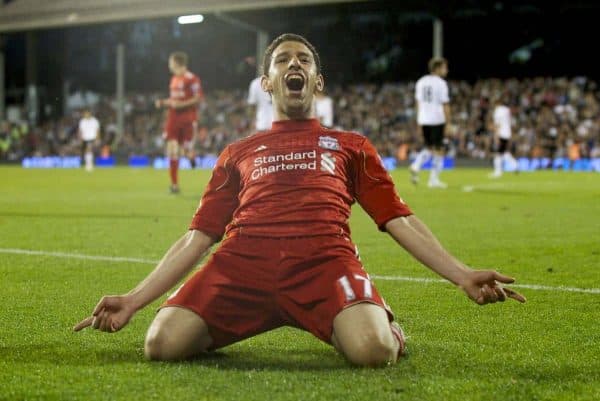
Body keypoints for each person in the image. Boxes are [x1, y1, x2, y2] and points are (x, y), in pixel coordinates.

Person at [75, 34, 526, 367]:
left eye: (304, 59)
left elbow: (397, 218)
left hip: (324, 264)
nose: (295, 64)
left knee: (374, 353)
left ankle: (383, 324)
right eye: (284, 60)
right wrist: (134, 299)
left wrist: (461, 274)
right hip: (242, 267)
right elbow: (198, 236)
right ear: (267, 83)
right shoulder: (238, 153)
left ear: (317, 81)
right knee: (161, 345)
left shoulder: (350, 145)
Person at [155, 51, 203, 193]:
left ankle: (190, 156)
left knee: (184, 150)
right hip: (173, 118)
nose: (169, 64)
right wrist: (163, 102)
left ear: (176, 62)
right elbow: (174, 101)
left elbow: (198, 98)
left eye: (170, 61)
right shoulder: (174, 79)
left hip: (187, 119)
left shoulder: (192, 79)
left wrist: (180, 105)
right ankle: (174, 185)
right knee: (172, 149)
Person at [410, 57, 451, 188]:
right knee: (439, 149)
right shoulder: (441, 83)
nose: (446, 70)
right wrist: (448, 123)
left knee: (430, 147)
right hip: (437, 118)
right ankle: (433, 180)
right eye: (444, 67)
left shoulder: (421, 82)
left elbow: (418, 103)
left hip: (424, 118)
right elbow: (445, 104)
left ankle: (416, 165)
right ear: (437, 68)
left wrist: (418, 120)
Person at [490, 95, 518, 178]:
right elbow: (510, 122)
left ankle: (498, 172)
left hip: (501, 133)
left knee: (498, 153)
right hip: (508, 133)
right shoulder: (507, 110)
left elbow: (497, 125)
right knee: (503, 152)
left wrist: (496, 136)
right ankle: (515, 165)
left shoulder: (497, 111)